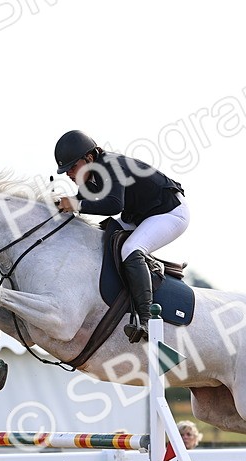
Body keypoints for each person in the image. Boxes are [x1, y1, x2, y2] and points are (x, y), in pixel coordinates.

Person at [52, 130, 188, 343]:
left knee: (130, 249)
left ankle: (146, 321)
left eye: (72, 167)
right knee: (100, 235)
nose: (69, 173)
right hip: (142, 214)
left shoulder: (112, 166)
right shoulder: (92, 175)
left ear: (89, 158)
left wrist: (75, 204)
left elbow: (115, 204)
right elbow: (79, 202)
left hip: (169, 212)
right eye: (66, 170)